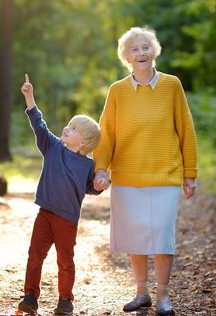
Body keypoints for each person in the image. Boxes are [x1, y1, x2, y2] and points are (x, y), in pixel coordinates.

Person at [92, 27, 198, 315]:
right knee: (135, 236)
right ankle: (142, 292)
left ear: (155, 51)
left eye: (145, 47)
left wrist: (190, 172)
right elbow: (107, 134)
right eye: (134, 49)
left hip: (165, 175)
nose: (141, 53)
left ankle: (163, 295)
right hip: (126, 177)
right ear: (126, 57)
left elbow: (186, 130)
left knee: (162, 234)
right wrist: (101, 169)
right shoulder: (117, 91)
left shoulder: (172, 85)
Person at [17, 73, 103, 315]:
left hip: (67, 220)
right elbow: (39, 125)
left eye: (73, 128)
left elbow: (88, 187)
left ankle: (65, 300)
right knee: (35, 255)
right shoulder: (52, 146)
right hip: (45, 214)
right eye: (69, 124)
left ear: (84, 143)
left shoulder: (88, 165)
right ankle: (30, 296)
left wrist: (97, 185)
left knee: (65, 261)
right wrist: (29, 97)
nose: (67, 128)